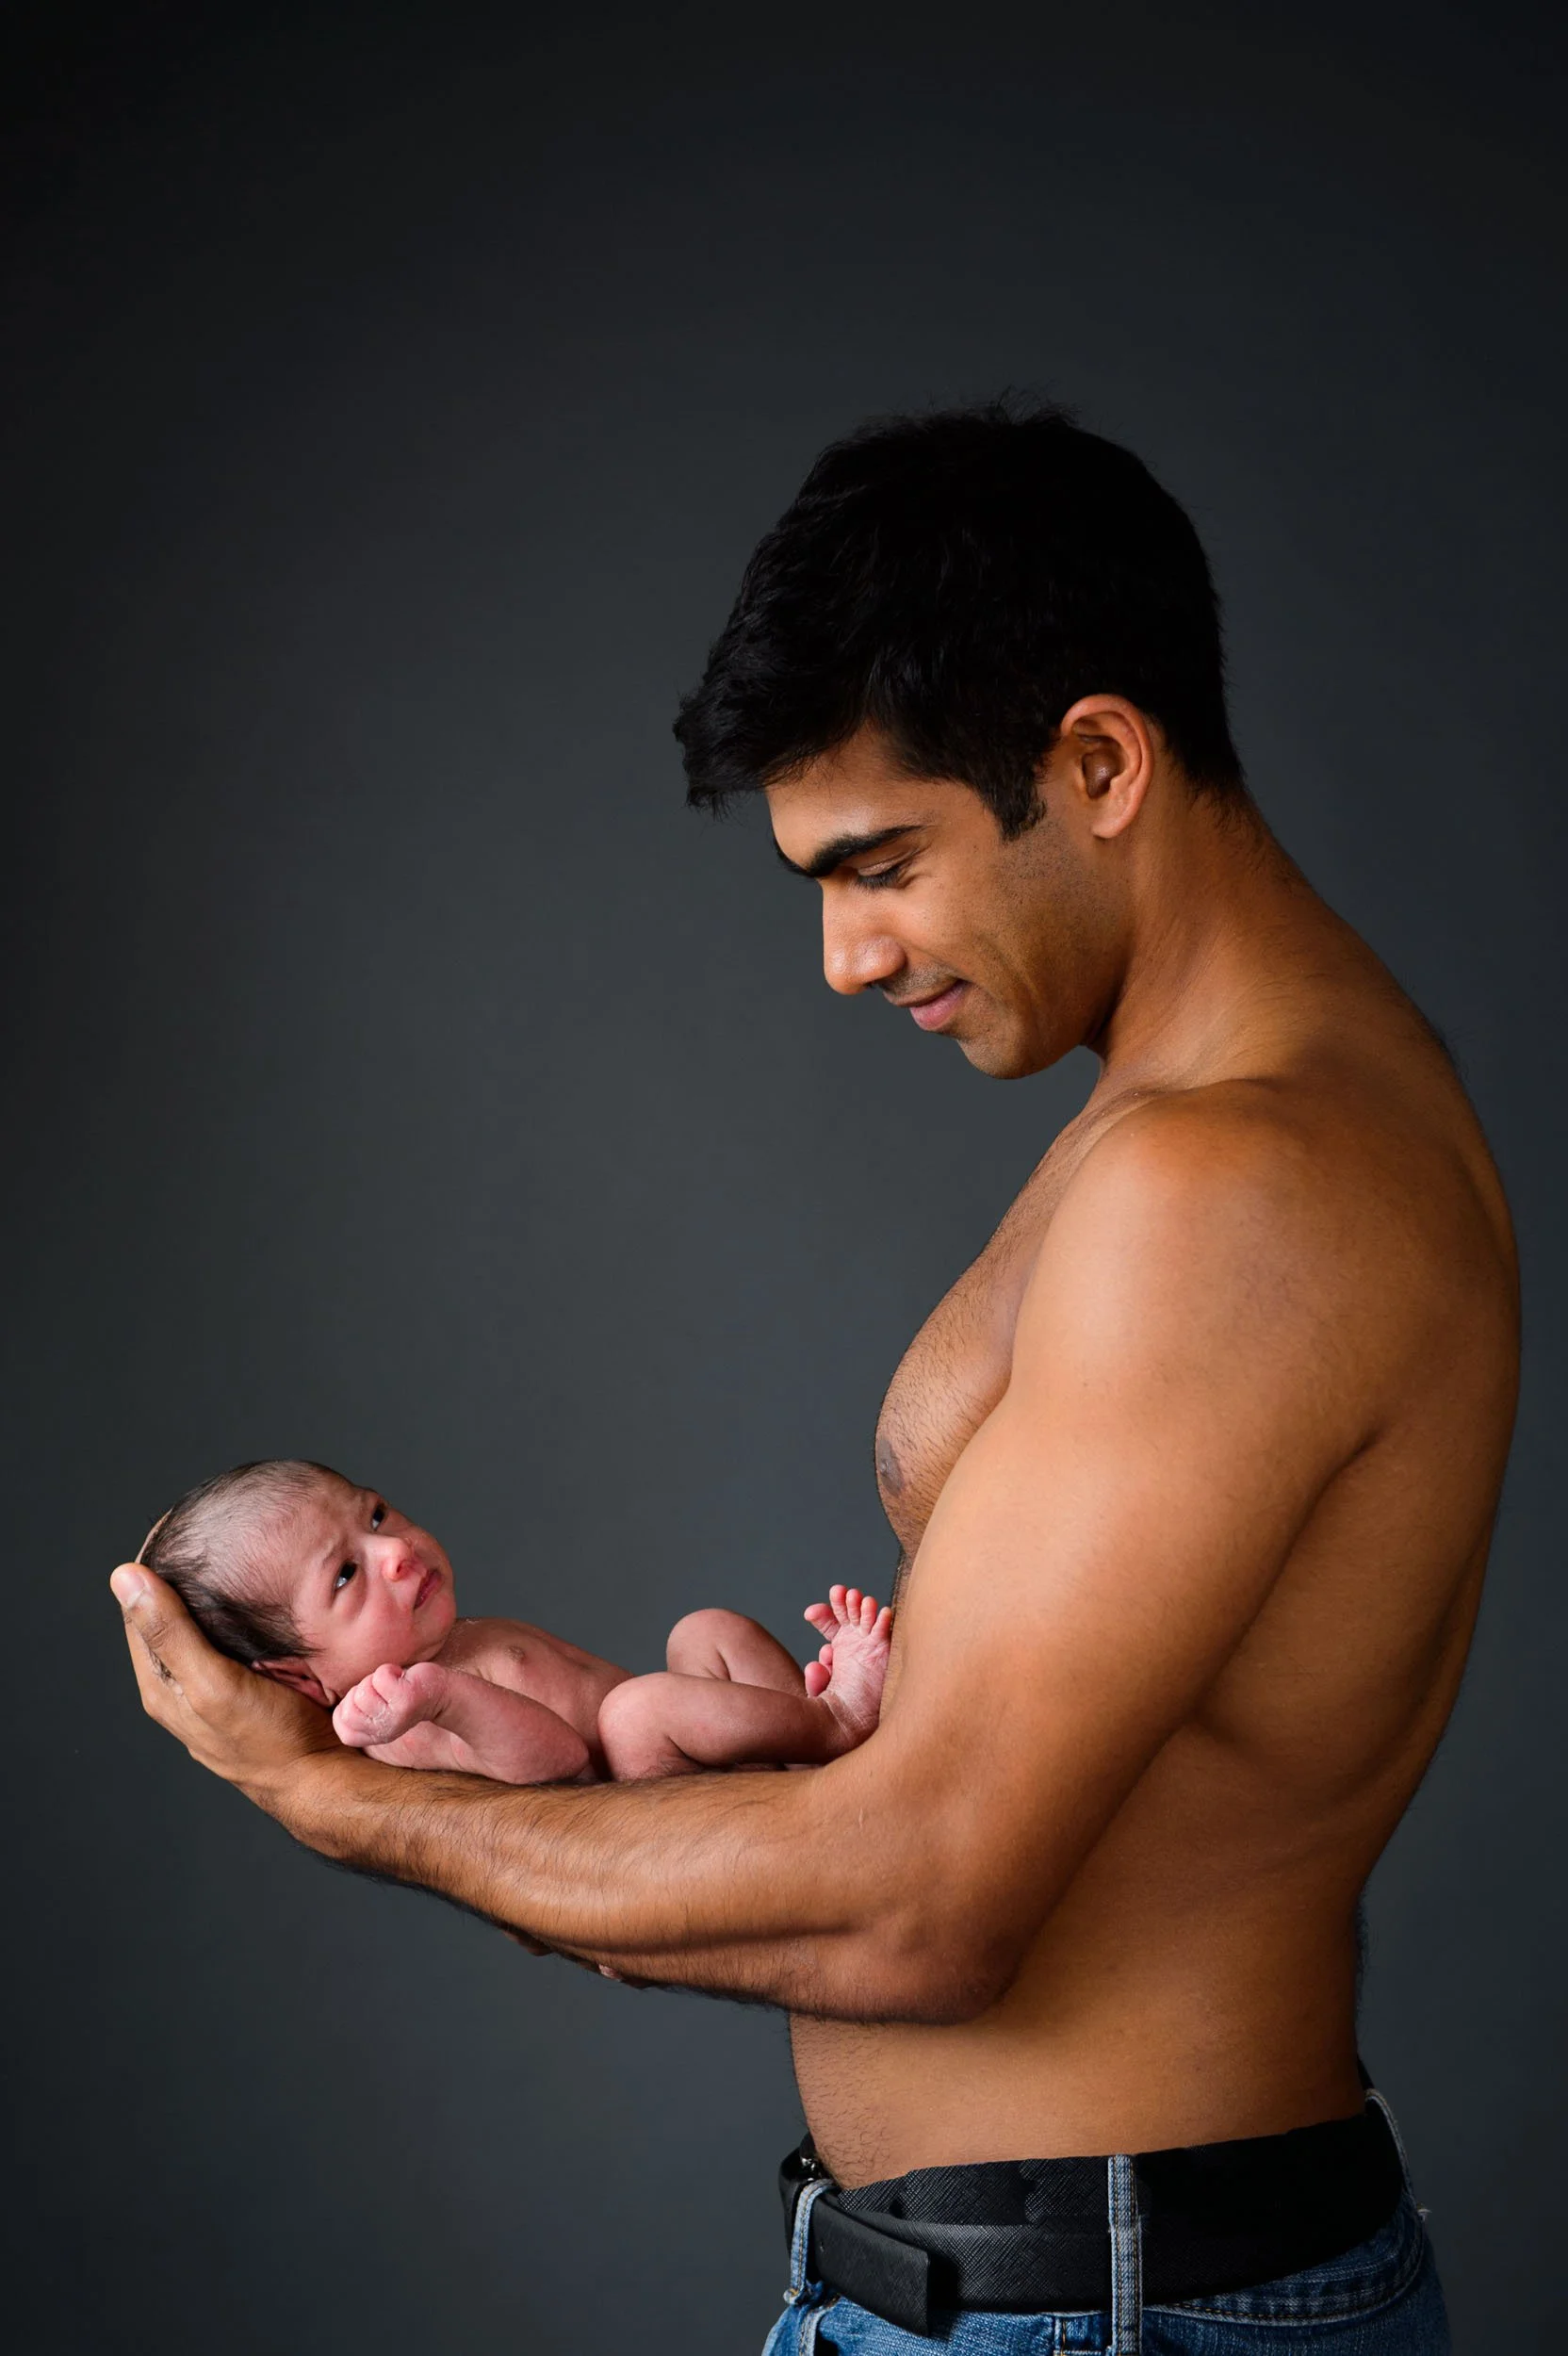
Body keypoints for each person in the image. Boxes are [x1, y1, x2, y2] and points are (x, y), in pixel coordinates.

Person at [113, 401, 1518, 2353]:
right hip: (1062, 2288)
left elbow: (925, 1901)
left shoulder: (1239, 1184)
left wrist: (342, 1807)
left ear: (1098, 760)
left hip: (1109, 2309)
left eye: (881, 863)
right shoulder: (1190, 1118)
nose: (848, 957)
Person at [136, 1457, 892, 1782]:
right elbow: (560, 1758)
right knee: (635, 1710)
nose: (395, 1549)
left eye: (374, 1514)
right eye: (345, 1573)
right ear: (302, 1674)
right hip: (643, 1802)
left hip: (691, 1759)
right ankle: (839, 1720)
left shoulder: (446, 1641)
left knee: (704, 1631)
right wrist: (440, 1697)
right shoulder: (396, 1718)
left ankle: (805, 1749)